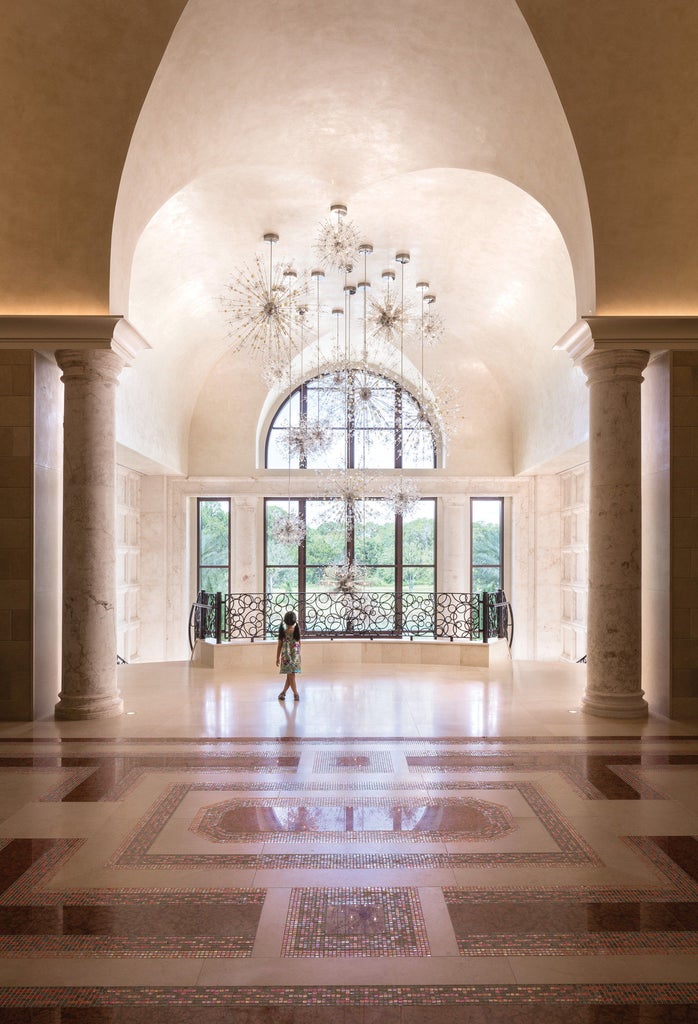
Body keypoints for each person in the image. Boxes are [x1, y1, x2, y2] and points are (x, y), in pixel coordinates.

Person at [276, 610, 301, 700]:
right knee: (290, 675)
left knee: (290, 675)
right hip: (295, 657)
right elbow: (299, 644)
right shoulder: (297, 630)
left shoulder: (283, 632)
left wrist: (277, 658)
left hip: (286, 657)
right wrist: (299, 657)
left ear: (285, 621)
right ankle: (283, 693)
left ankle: (295, 694)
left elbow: (279, 646)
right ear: (295, 621)